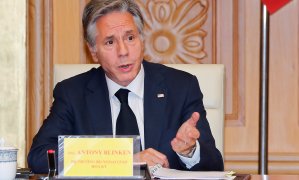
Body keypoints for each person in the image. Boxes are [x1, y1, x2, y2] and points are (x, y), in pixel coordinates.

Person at [28, 0, 224, 174]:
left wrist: (190, 151)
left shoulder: (181, 87)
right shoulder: (73, 94)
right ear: (93, 51)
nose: (123, 51)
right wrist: (125, 162)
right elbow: (39, 157)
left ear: (141, 39)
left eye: (130, 38)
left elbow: (215, 165)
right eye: (110, 42)